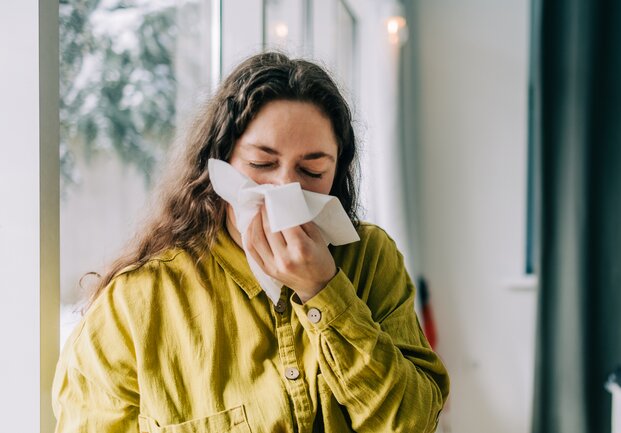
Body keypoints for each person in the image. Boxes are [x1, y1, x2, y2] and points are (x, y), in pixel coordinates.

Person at [52, 52, 450, 433]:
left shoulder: (371, 259)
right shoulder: (134, 304)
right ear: (219, 164)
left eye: (312, 170)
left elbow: (412, 423)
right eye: (262, 164)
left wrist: (323, 291)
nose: (285, 188)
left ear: (336, 174)